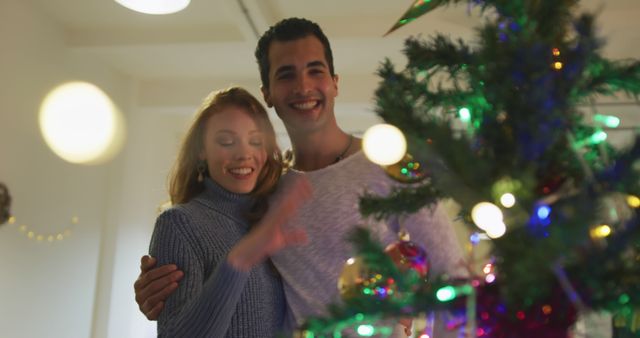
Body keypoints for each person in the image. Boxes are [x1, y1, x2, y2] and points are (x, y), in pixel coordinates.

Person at [135, 18, 465, 336]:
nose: (303, 86)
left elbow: (453, 277)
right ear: (268, 93)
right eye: (286, 75)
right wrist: (155, 287)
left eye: (315, 71)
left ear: (335, 82)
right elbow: (221, 256)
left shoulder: (390, 165)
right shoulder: (267, 190)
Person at [146, 86, 311, 337]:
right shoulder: (180, 223)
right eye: (226, 141)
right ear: (201, 149)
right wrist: (238, 262)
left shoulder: (274, 217)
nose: (244, 154)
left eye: (255, 141)